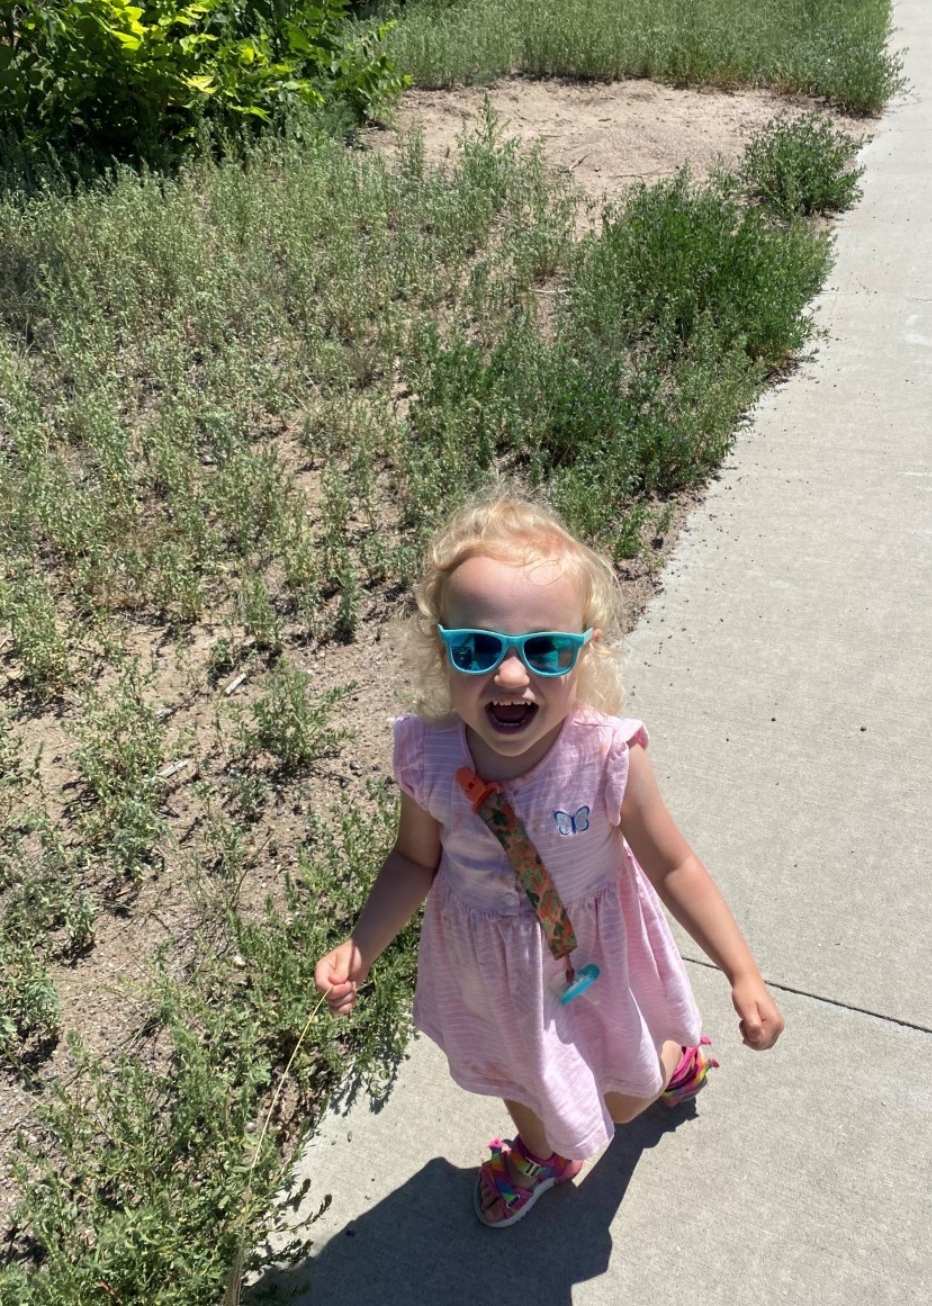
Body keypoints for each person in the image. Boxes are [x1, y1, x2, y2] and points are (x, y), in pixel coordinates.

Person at [314, 491, 784, 1228]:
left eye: (544, 650)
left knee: (625, 1096)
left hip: (596, 956)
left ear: (583, 652)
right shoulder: (428, 755)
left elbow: (674, 866)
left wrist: (742, 970)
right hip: (488, 967)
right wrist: (361, 943)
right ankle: (541, 1151)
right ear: (443, 651)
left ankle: (670, 1061)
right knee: (518, 1071)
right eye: (477, 648)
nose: (509, 676)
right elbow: (414, 861)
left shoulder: (604, 757)